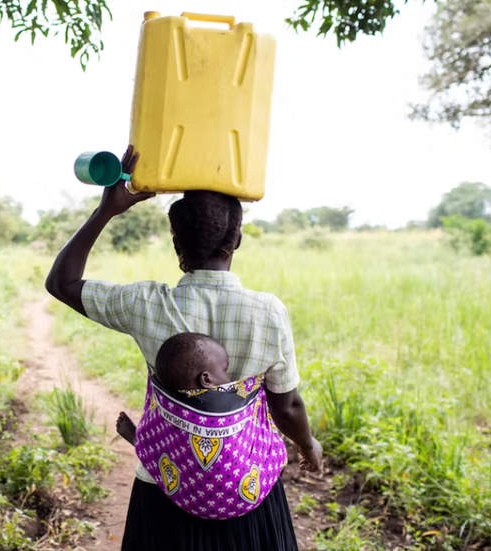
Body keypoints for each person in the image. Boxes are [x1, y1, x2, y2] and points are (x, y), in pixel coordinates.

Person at [45, 146, 322, 551]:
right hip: (246, 484)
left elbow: (62, 283)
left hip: (166, 485)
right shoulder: (268, 311)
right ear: (237, 240)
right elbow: (287, 406)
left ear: (176, 242)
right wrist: (307, 444)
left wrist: (107, 210)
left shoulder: (145, 304)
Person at [115, 332, 304, 522]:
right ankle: (140, 440)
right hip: (241, 496)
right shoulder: (231, 398)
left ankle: (140, 440)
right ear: (206, 380)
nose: (229, 376)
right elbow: (282, 407)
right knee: (273, 455)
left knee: (167, 438)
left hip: (183, 490)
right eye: (225, 369)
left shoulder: (171, 403)